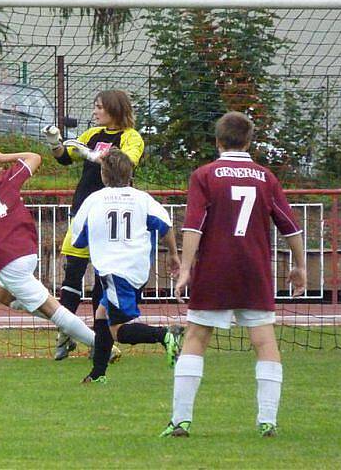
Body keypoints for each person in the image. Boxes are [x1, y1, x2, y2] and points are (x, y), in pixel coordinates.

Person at [161, 111, 306, 438]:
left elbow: (193, 225)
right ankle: (267, 420)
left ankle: (181, 420)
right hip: (254, 269)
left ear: (217, 141)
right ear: (249, 140)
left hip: (215, 268)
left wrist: (185, 269)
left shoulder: (205, 175)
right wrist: (300, 265)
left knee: (196, 337)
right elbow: (291, 226)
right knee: (264, 340)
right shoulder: (265, 177)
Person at [0, 146, 97, 356]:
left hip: (7, 259)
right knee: (3, 297)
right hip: (24, 250)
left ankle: (99, 344)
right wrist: (4, 157)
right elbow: (34, 157)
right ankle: (67, 326)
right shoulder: (5, 180)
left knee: (53, 310)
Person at [43, 89, 145, 360]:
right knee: (73, 272)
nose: (95, 112)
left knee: (103, 278)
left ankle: (100, 343)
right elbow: (67, 155)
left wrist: (89, 155)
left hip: (109, 215)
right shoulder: (92, 135)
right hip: (83, 212)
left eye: (99, 107)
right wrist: (55, 143)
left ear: (114, 109)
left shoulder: (131, 137)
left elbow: (124, 162)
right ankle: (65, 333)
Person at [71, 149, 182, 384]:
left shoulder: (94, 200)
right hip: (137, 269)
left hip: (114, 271)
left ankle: (165, 336)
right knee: (101, 316)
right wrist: (173, 254)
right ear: (130, 173)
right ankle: (97, 374)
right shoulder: (143, 199)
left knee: (118, 329)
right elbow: (165, 225)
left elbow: (77, 238)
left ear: (103, 174)